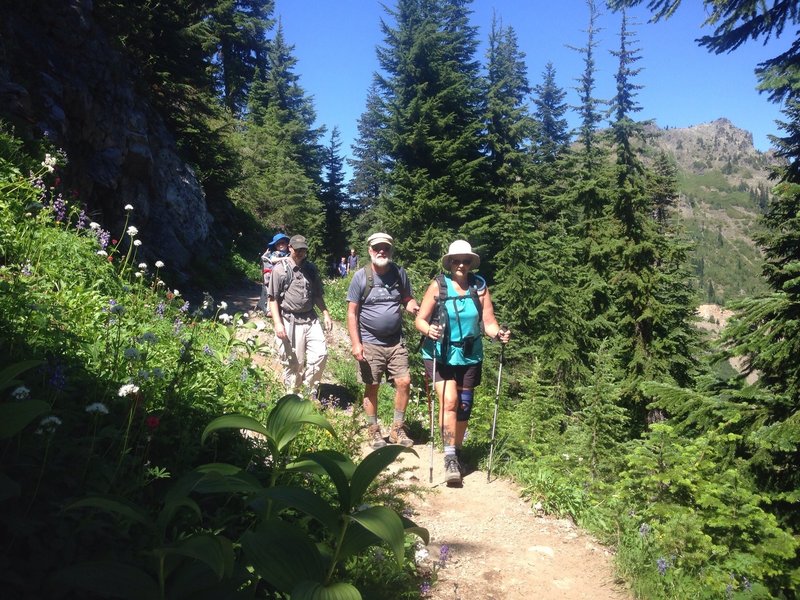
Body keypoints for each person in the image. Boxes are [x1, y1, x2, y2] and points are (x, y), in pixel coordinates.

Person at [415, 240, 511, 485]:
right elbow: (420, 320)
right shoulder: (438, 285)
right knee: (450, 401)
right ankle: (449, 459)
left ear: (471, 263)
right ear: (449, 263)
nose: (461, 264)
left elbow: (488, 322)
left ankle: (456, 450)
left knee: (464, 405)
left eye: (465, 261)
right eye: (456, 260)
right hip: (440, 353)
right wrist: (429, 331)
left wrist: (498, 334)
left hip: (469, 355)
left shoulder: (479, 286)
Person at [347, 232, 420, 449]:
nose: (382, 251)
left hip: (396, 341)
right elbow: (352, 313)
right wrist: (356, 343)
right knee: (372, 386)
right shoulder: (361, 277)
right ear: (370, 250)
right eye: (377, 248)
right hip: (369, 341)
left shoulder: (399, 273)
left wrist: (414, 308)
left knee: (404, 382)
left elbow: (406, 298)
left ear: (390, 251)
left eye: (386, 248)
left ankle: (397, 429)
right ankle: (374, 430)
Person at [269, 234, 333, 396]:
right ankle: (292, 396)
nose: (300, 252)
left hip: (310, 319)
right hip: (289, 320)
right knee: (294, 363)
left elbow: (317, 295)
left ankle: (308, 391)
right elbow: (273, 299)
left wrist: (325, 313)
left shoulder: (311, 269)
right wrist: (278, 323)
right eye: (297, 249)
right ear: (290, 248)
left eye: (303, 249)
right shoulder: (280, 270)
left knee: (320, 355)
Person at [257, 233, 290, 314]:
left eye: (282, 243)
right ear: (275, 246)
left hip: (285, 276)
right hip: (274, 275)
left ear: (287, 244)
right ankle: (269, 309)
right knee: (272, 293)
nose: (280, 245)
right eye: (278, 244)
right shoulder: (276, 253)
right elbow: (273, 260)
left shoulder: (289, 254)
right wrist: (285, 258)